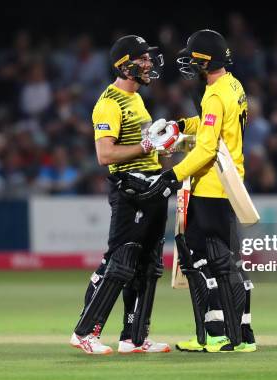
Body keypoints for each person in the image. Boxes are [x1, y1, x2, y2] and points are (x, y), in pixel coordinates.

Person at [69, 35, 180, 355]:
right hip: (129, 188)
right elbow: (105, 155)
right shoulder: (109, 102)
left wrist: (169, 146)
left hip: (150, 185)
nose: (148, 64)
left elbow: (152, 155)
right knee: (122, 261)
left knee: (149, 266)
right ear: (124, 64)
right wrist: (148, 145)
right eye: (142, 59)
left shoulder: (137, 100)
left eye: (148, 58)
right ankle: (84, 332)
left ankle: (134, 337)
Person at [159, 29, 256, 352]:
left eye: (193, 56)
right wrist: (185, 125)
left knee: (207, 260)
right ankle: (234, 334)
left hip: (212, 186)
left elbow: (206, 150)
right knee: (218, 260)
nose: (189, 62)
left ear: (205, 60)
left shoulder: (214, 94)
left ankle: (222, 335)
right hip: (229, 183)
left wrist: (173, 175)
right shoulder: (233, 86)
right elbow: (214, 125)